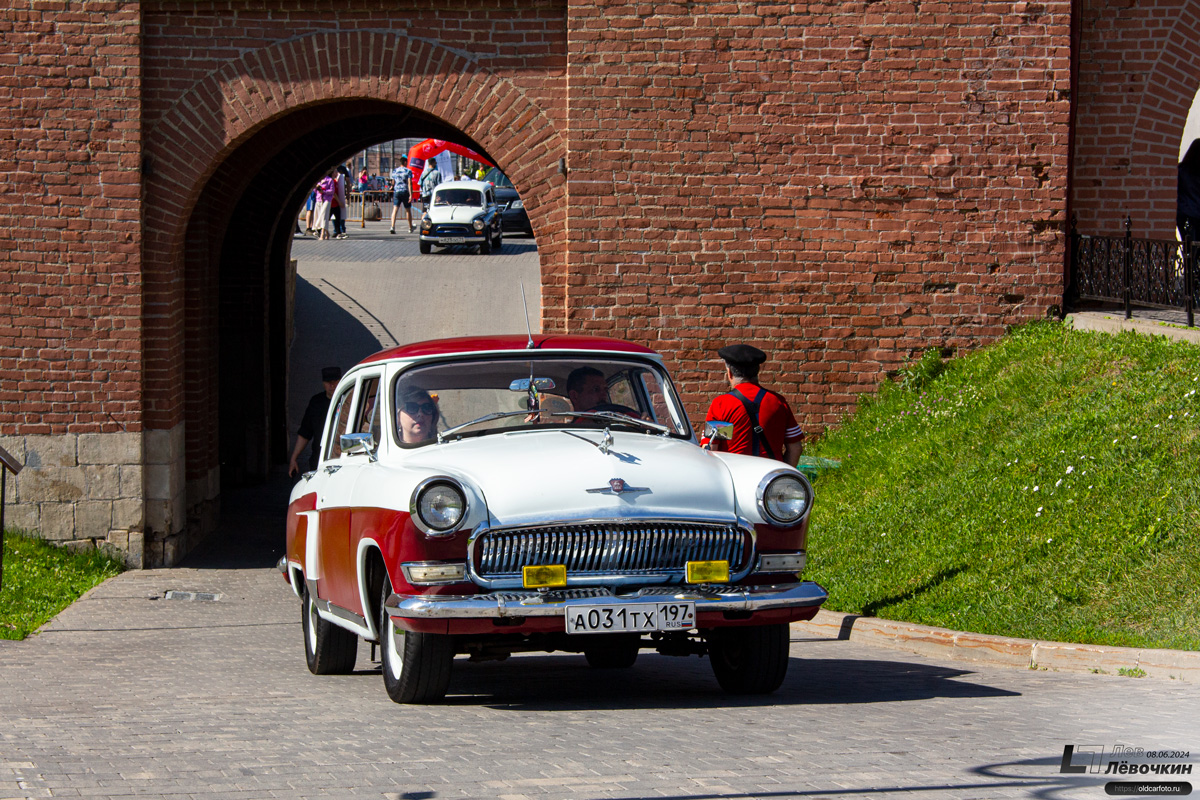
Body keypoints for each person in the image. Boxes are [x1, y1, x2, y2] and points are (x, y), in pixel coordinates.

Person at [703, 344, 803, 465]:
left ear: (729, 373)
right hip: (769, 475)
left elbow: (710, 449)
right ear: (757, 372)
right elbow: (795, 448)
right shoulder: (778, 402)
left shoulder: (721, 404)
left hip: (735, 474)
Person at [288, 366, 342, 477]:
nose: (331, 386)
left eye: (334, 382)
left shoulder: (348, 401)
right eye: (328, 382)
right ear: (323, 383)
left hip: (341, 460)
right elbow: (305, 433)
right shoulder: (316, 403)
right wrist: (294, 458)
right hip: (318, 461)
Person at [566, 366, 639, 417]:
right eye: (596, 389)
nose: (603, 394)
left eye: (605, 390)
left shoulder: (618, 425)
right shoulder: (565, 434)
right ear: (574, 396)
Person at [1178, 140, 1200, 241]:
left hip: (1187, 215)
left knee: (1191, 252)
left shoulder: (1181, 170)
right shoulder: (1183, 171)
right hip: (1189, 216)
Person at [389, 156, 415, 234]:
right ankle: (410, 227)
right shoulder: (408, 171)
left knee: (395, 209)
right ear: (405, 162)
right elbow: (409, 183)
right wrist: (411, 194)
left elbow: (393, 182)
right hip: (405, 191)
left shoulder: (395, 171)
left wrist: (392, 187)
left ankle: (392, 226)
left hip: (397, 191)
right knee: (407, 210)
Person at [312, 171, 337, 241]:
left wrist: (324, 191)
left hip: (326, 200)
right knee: (320, 216)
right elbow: (314, 190)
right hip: (319, 199)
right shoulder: (318, 180)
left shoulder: (329, 180)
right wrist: (316, 187)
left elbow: (332, 191)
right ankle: (327, 232)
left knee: (323, 216)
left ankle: (322, 234)